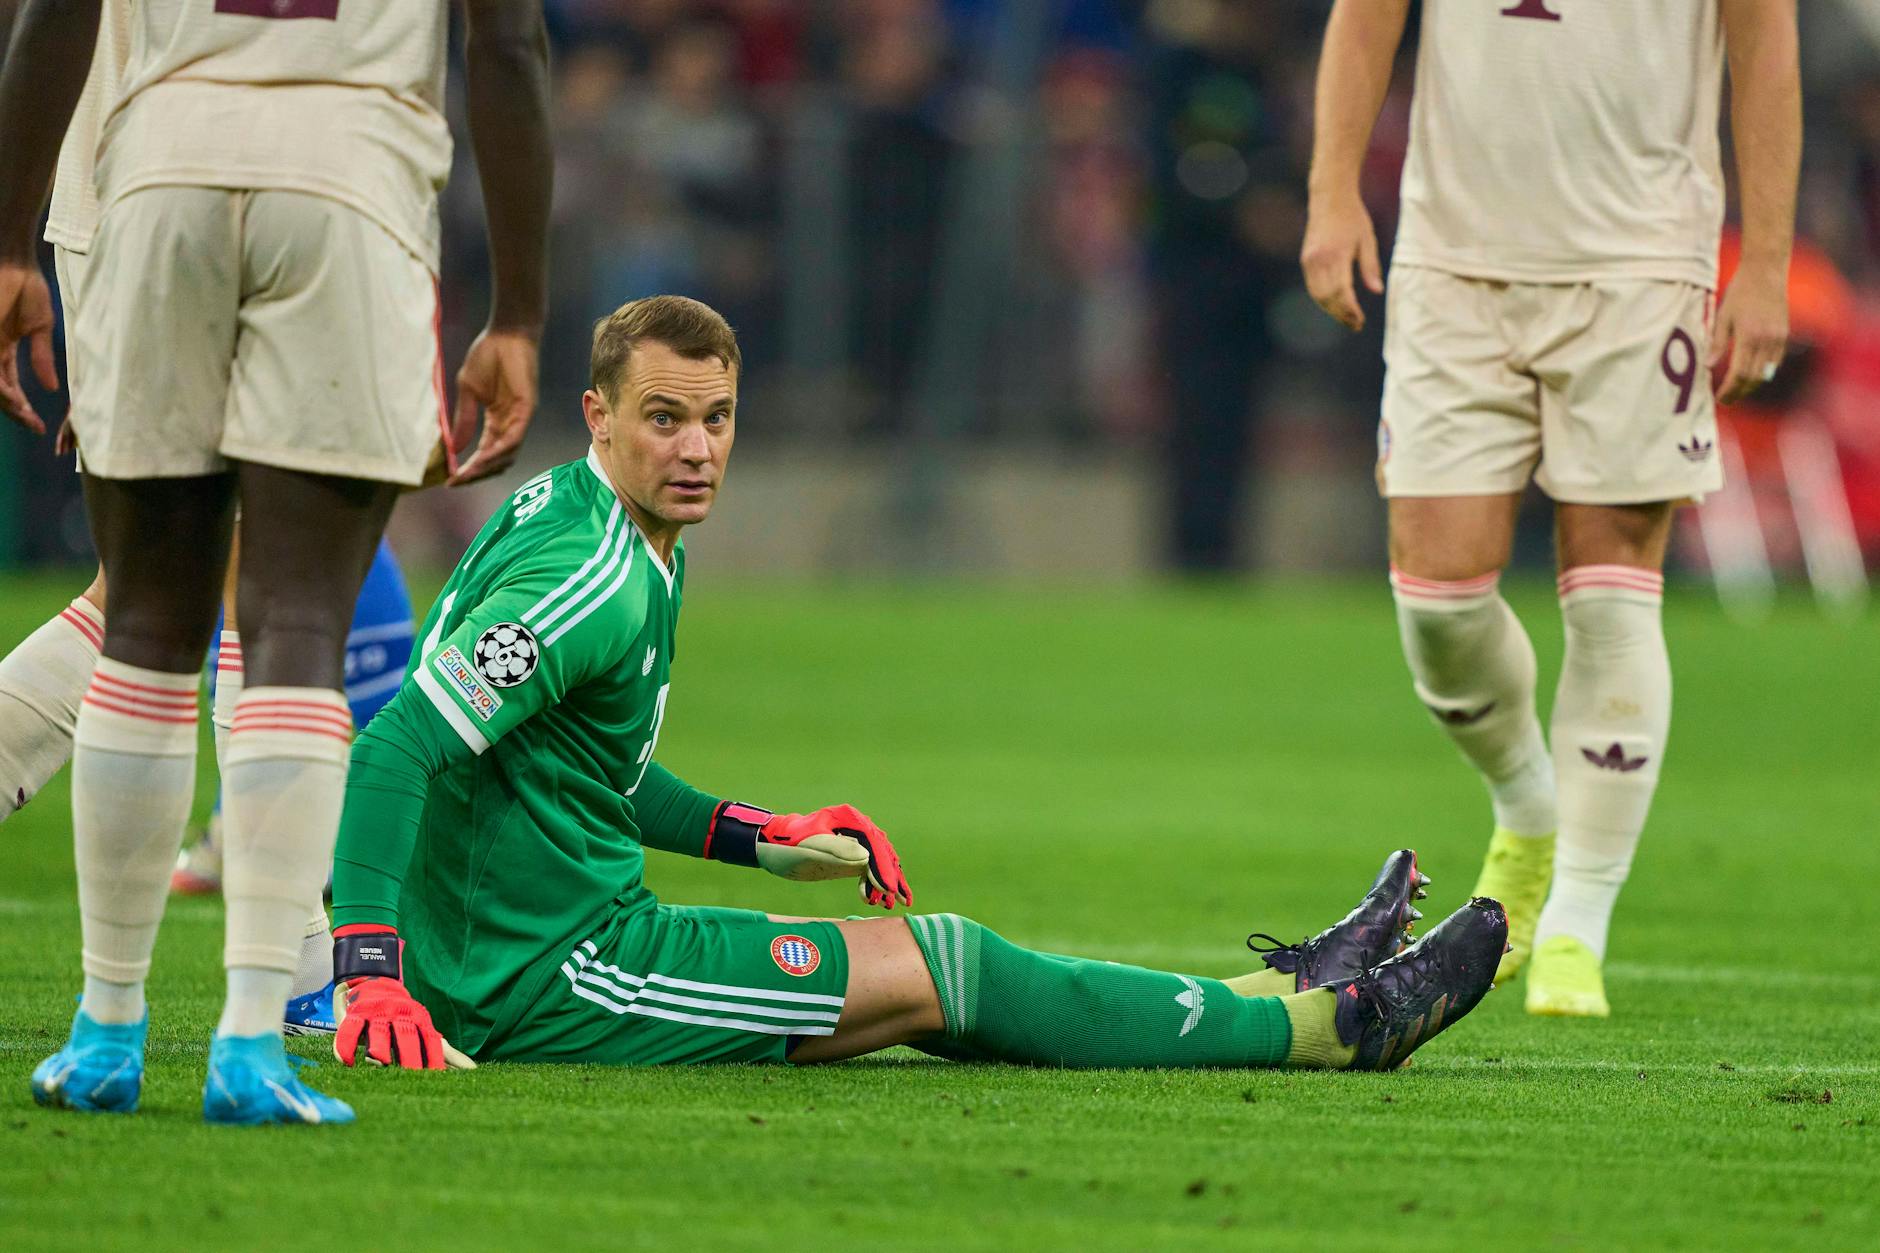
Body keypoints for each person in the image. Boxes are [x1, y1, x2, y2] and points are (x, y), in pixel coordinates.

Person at [324, 295, 1507, 1078]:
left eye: (717, 419)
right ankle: (1326, 1030)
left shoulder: (594, 521)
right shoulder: (590, 579)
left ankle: (1275, 989)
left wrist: (752, 835)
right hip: (544, 971)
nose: (695, 449)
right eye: (663, 420)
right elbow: (397, 748)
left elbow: (580, 770)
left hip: (530, 939)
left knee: (934, 960)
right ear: (599, 415)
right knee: (939, 964)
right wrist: (370, 971)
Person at [0, 0, 553, 1125]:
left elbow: (49, 9)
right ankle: (256, 1031)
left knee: (147, 624)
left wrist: (10, 240)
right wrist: (521, 313)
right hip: (346, 182)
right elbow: (506, 44)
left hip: (147, 172)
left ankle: (108, 1026)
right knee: (294, 617)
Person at [1299, 0, 1799, 1016]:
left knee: (1611, 590)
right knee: (1436, 600)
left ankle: (1574, 918)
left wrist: (1768, 265)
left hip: (1640, 262)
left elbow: (1763, 49)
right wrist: (1329, 192)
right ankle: (1527, 809)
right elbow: (1362, 18)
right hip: (1452, 258)